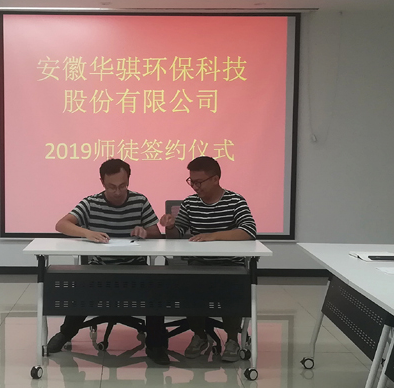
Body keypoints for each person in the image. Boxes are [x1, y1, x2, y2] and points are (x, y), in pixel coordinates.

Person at [47, 158, 170, 365]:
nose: (118, 192)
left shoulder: (139, 201)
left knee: (156, 289)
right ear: (102, 182)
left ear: (128, 181)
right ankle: (66, 333)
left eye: (123, 186)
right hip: (100, 267)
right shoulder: (91, 203)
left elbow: (156, 234)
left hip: (135, 267)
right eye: (112, 187)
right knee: (81, 288)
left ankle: (156, 345)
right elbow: (61, 224)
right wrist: (87, 233)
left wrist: (145, 232)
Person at [159, 156, 256, 363]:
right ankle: (200, 335)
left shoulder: (235, 201)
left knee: (232, 288)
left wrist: (214, 235)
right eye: (191, 181)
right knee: (189, 287)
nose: (195, 186)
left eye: (199, 182)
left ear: (215, 179)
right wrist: (170, 226)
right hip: (199, 263)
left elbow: (248, 231)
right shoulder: (190, 203)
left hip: (230, 265)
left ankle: (232, 339)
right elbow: (177, 234)